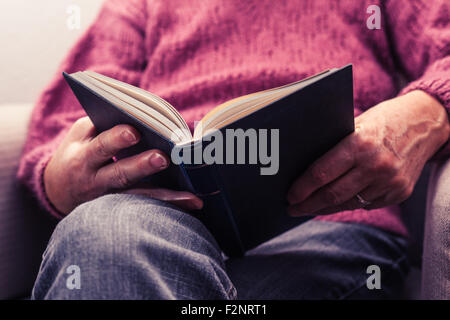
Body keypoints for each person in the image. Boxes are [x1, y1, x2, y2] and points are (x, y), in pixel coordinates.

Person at [18, 0, 450, 299]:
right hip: (155, 225)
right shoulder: (140, 6)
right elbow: (64, 122)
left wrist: (426, 111)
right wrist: (60, 181)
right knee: (106, 234)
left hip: (332, 230)